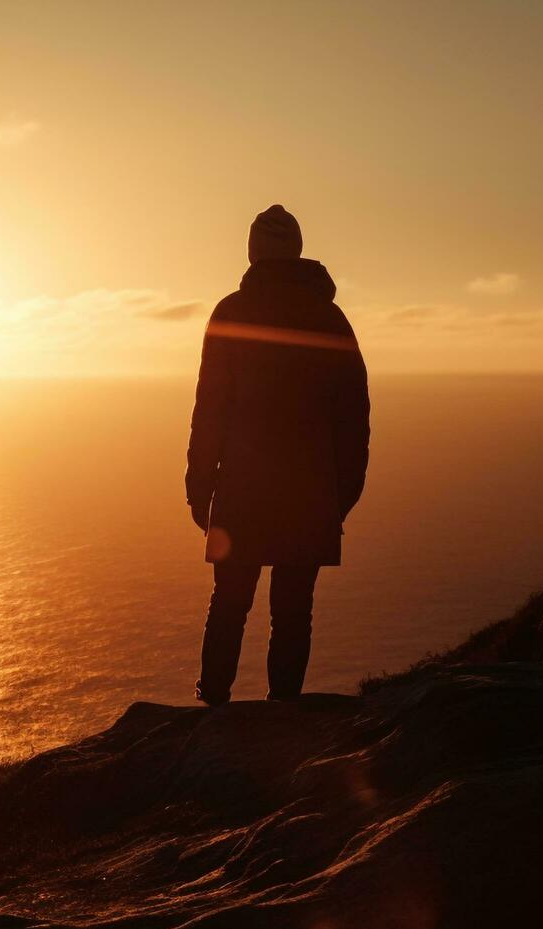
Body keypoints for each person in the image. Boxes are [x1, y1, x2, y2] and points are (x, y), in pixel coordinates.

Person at [185, 204, 370, 704]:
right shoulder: (330, 318)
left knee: (229, 601)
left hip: (243, 488)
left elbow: (211, 409)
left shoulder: (231, 312)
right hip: (310, 491)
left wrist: (199, 487)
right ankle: (284, 710)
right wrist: (342, 494)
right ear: (297, 250)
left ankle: (213, 707)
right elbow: (353, 416)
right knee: (294, 608)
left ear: (253, 252)